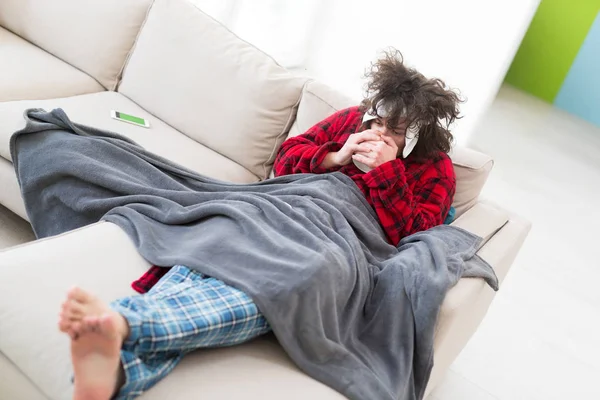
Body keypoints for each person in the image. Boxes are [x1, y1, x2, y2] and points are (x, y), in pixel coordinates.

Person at [58, 49, 461, 400]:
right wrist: (335, 158)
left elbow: (413, 233)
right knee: (221, 236)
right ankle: (119, 351)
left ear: (417, 136)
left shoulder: (435, 167)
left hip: (344, 235)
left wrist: (386, 173)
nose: (378, 133)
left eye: (394, 131)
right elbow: (286, 159)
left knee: (298, 276)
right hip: (280, 203)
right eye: (377, 121)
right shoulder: (351, 122)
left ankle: (123, 326)